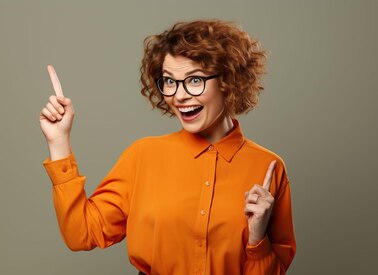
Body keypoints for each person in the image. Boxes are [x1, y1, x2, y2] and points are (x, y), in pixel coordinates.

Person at [38, 19, 296, 275]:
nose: (179, 95)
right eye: (169, 81)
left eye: (195, 80)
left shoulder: (268, 168)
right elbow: (81, 234)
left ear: (228, 80)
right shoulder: (143, 156)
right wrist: (58, 141)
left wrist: (257, 240)